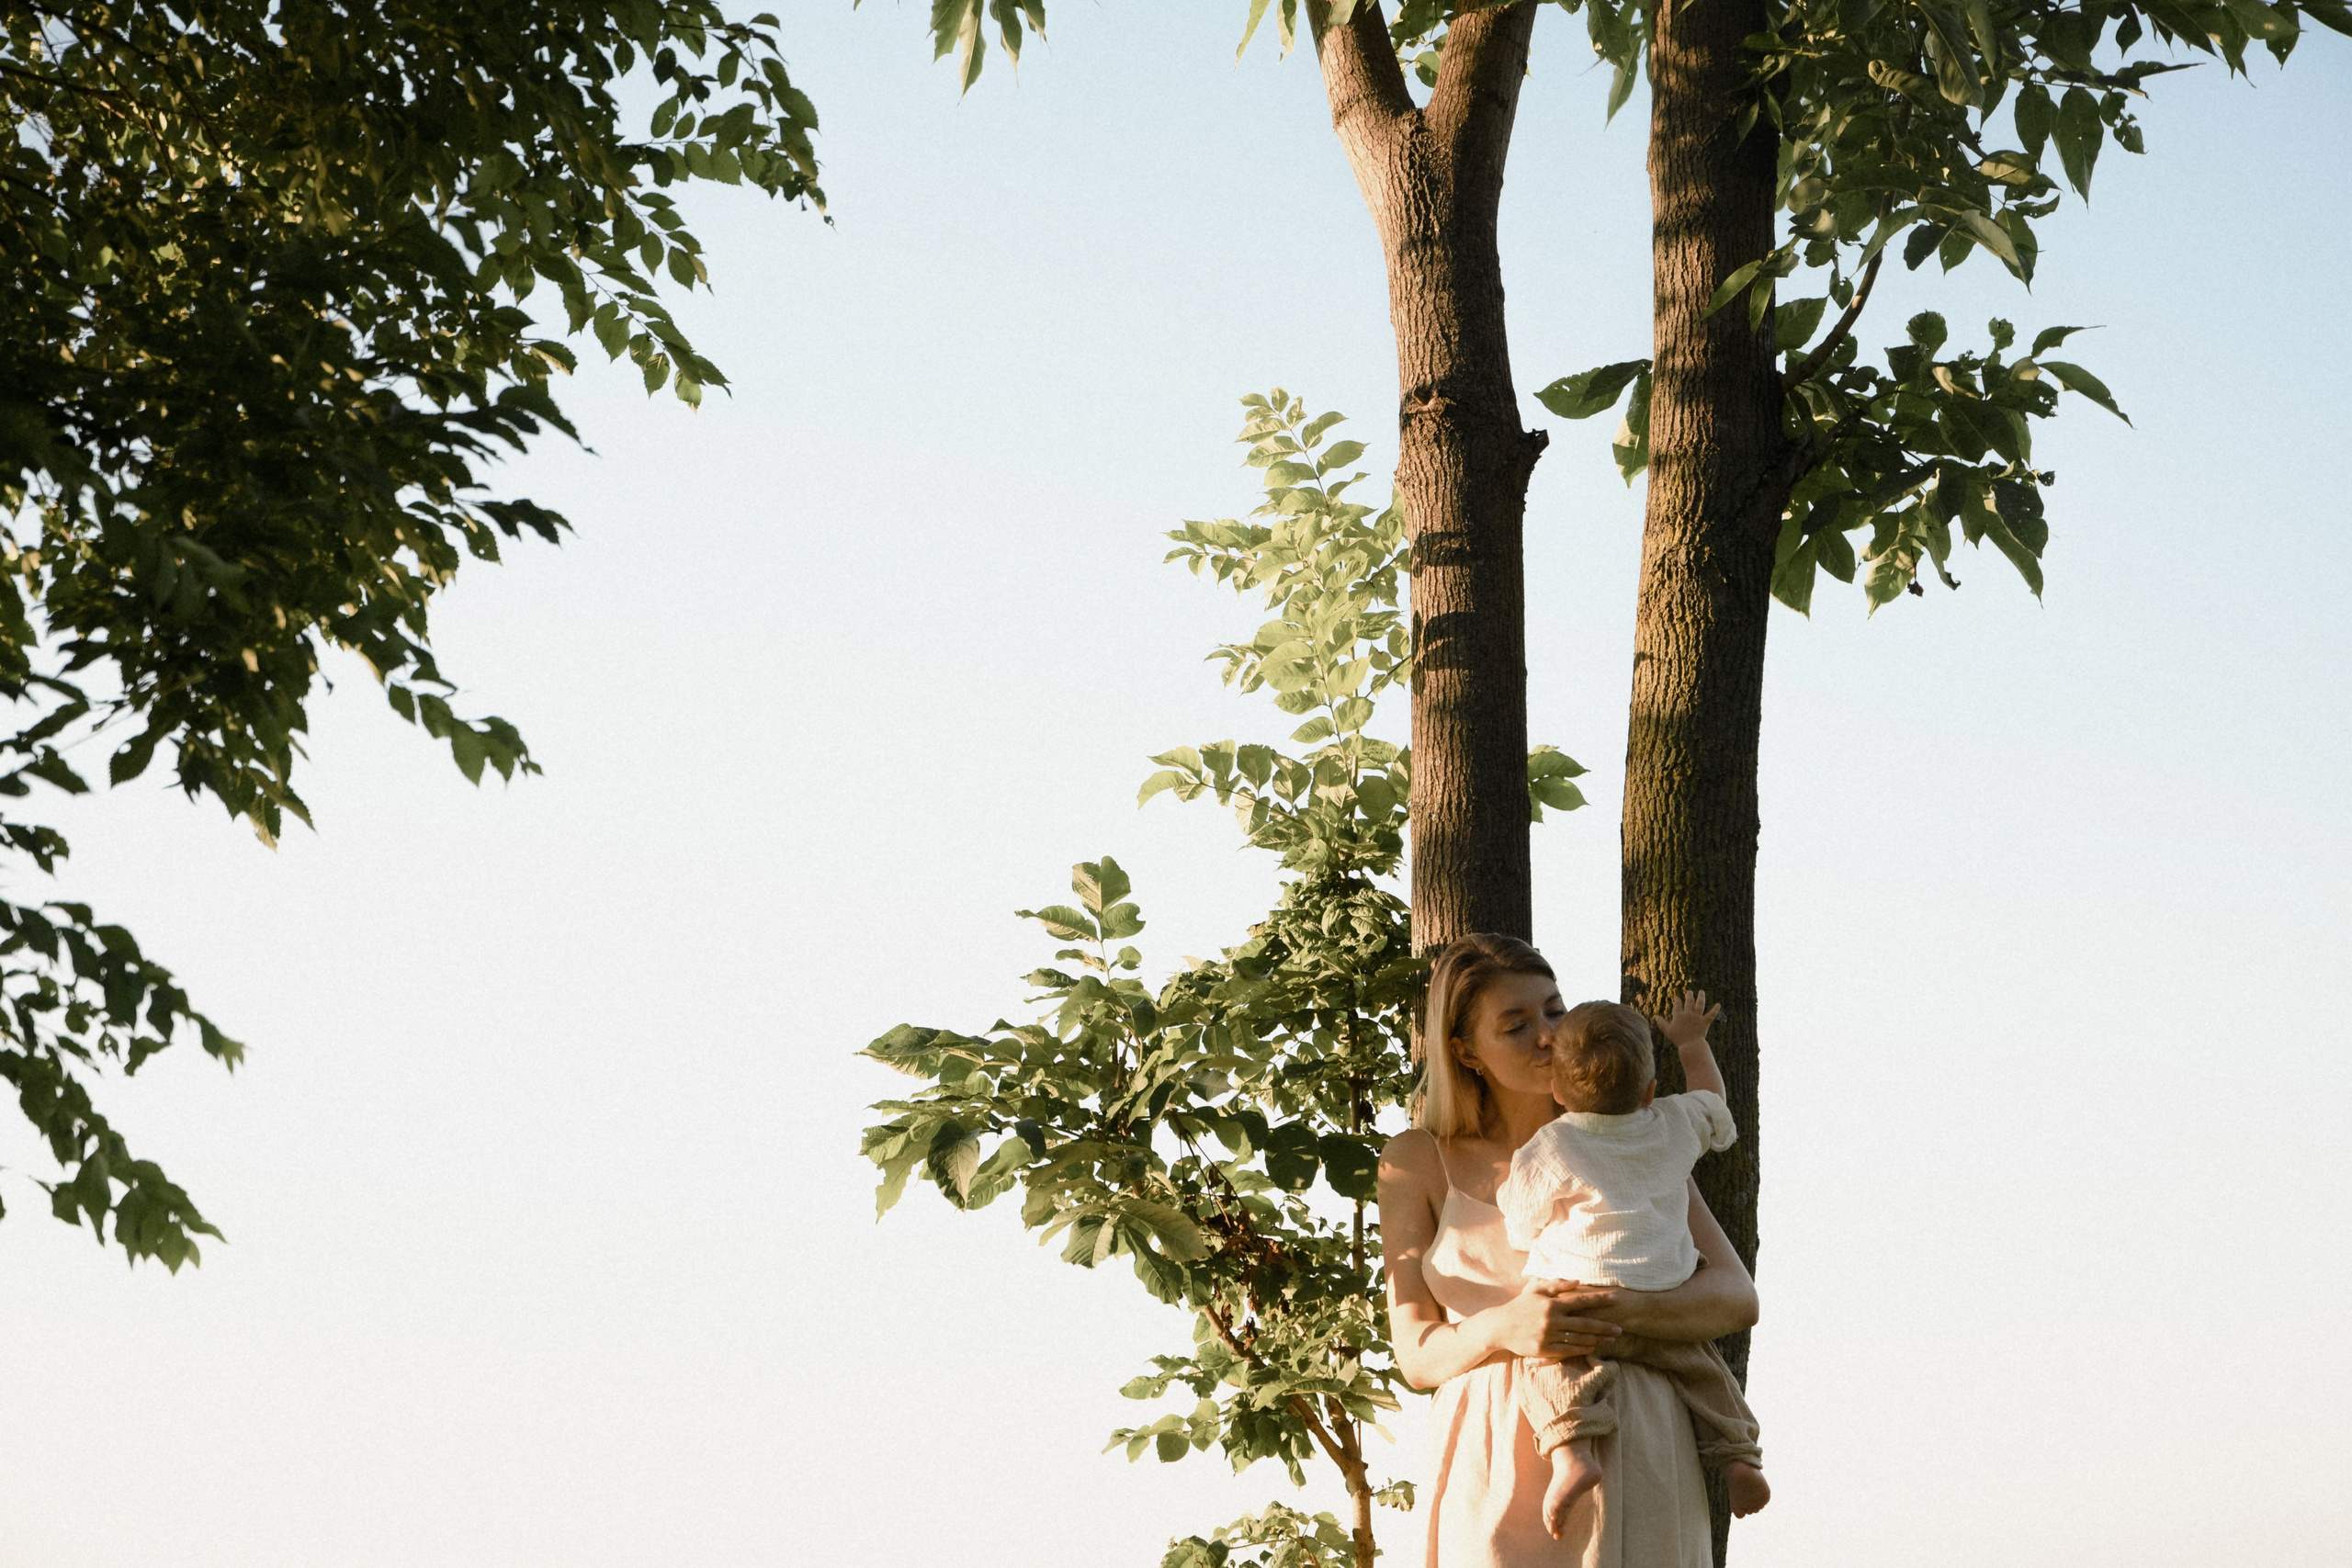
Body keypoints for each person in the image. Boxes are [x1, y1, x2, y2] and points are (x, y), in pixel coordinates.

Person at [1377, 934, 1759, 1568]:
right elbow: (1417, 1354)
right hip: (1491, 1447)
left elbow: (1735, 1296)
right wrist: (1509, 1325)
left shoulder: (1629, 1142)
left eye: (1554, 1009)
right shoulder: (1416, 1160)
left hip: (1634, 1433)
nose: (1549, 1035)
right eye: (1517, 1025)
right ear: (1465, 1050)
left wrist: (1601, 1313)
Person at [1498, 992, 1769, 1538]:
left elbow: (1519, 1223)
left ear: (1557, 1090)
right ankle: (1739, 1455)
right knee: (1703, 1368)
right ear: (1649, 1090)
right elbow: (1713, 1102)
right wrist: (1692, 1042)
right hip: (1664, 1288)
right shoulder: (1671, 1120)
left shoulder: (1549, 1146)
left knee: (1548, 1367)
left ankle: (1572, 1451)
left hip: (1583, 1300)